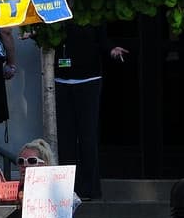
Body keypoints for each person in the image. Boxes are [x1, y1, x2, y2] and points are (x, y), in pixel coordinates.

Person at [54, 24, 128, 201]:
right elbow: (49, 39)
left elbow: (102, 39)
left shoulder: (92, 13)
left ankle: (89, 188)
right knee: (65, 138)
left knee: (87, 136)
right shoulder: (57, 9)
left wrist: (111, 49)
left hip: (88, 79)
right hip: (61, 79)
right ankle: (67, 188)